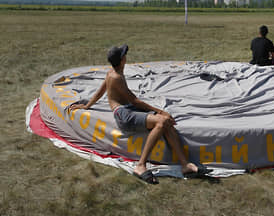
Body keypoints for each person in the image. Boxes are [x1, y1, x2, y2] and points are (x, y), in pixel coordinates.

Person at [69, 44, 210, 184]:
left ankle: (185, 165)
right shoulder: (117, 77)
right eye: (124, 55)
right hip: (123, 114)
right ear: (122, 59)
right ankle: (141, 166)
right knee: (161, 122)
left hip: (128, 109)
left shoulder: (111, 73)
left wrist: (87, 105)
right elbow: (134, 100)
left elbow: (101, 91)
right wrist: (160, 111)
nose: (126, 56)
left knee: (166, 122)